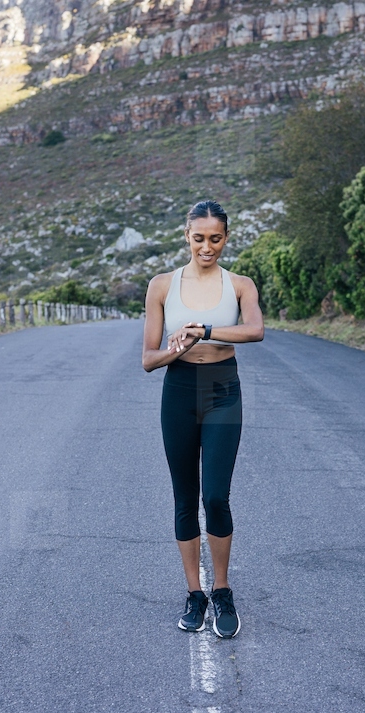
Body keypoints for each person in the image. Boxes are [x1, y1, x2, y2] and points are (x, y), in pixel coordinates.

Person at [142, 200, 264, 638]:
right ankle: (194, 592)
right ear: (186, 236)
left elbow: (255, 330)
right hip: (178, 390)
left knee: (215, 495)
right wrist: (179, 347)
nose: (207, 247)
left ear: (226, 238)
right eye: (199, 238)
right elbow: (148, 360)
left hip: (221, 390)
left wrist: (203, 331)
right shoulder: (161, 286)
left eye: (215, 238)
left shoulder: (240, 285)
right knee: (184, 497)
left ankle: (222, 589)